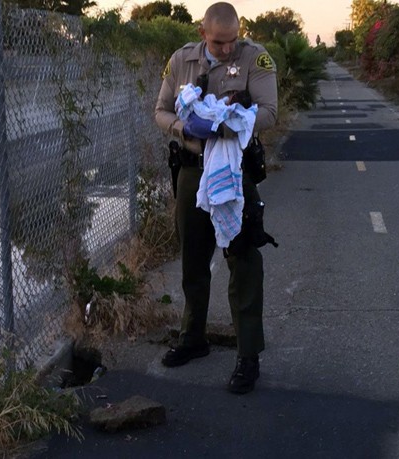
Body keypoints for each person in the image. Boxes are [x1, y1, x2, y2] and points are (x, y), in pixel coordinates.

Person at [154, 1, 277, 394]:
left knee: (242, 260)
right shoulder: (180, 60)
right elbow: (159, 109)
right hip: (191, 170)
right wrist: (183, 127)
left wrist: (230, 121)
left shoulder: (255, 59)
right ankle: (193, 337)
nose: (227, 49)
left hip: (234, 172)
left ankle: (247, 354)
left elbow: (270, 112)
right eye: (219, 42)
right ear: (203, 32)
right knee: (192, 257)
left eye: (232, 41)